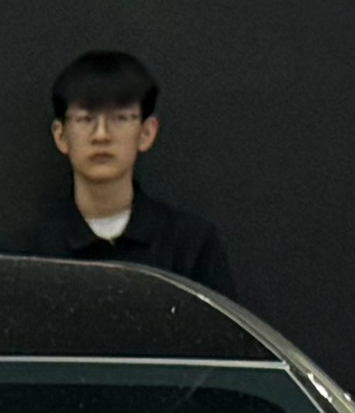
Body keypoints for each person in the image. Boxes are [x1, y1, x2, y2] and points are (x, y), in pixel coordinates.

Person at [18, 50, 236, 291]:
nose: (101, 135)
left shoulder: (190, 245)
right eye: (86, 118)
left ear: (146, 132)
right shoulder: (26, 253)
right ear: (61, 136)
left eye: (119, 118)